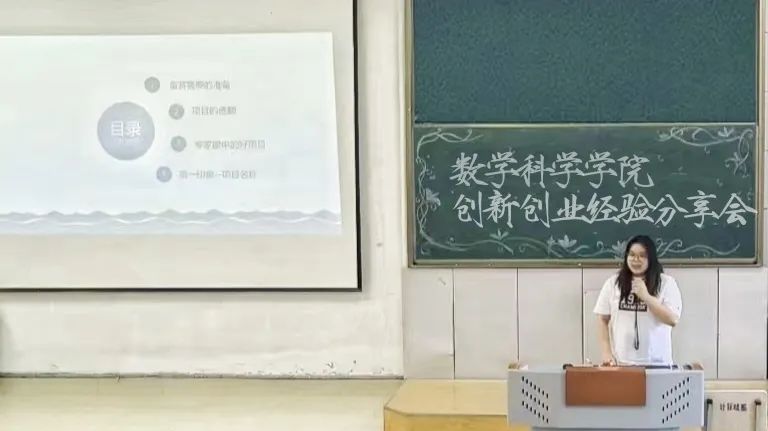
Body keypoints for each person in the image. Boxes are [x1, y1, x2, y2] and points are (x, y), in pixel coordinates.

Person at [593, 235, 682, 366]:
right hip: (622, 363)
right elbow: (602, 319)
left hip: (658, 364)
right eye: (632, 255)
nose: (636, 260)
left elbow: (672, 319)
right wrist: (606, 353)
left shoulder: (666, 283)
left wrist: (646, 297)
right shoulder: (613, 283)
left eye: (642, 256)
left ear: (651, 258)